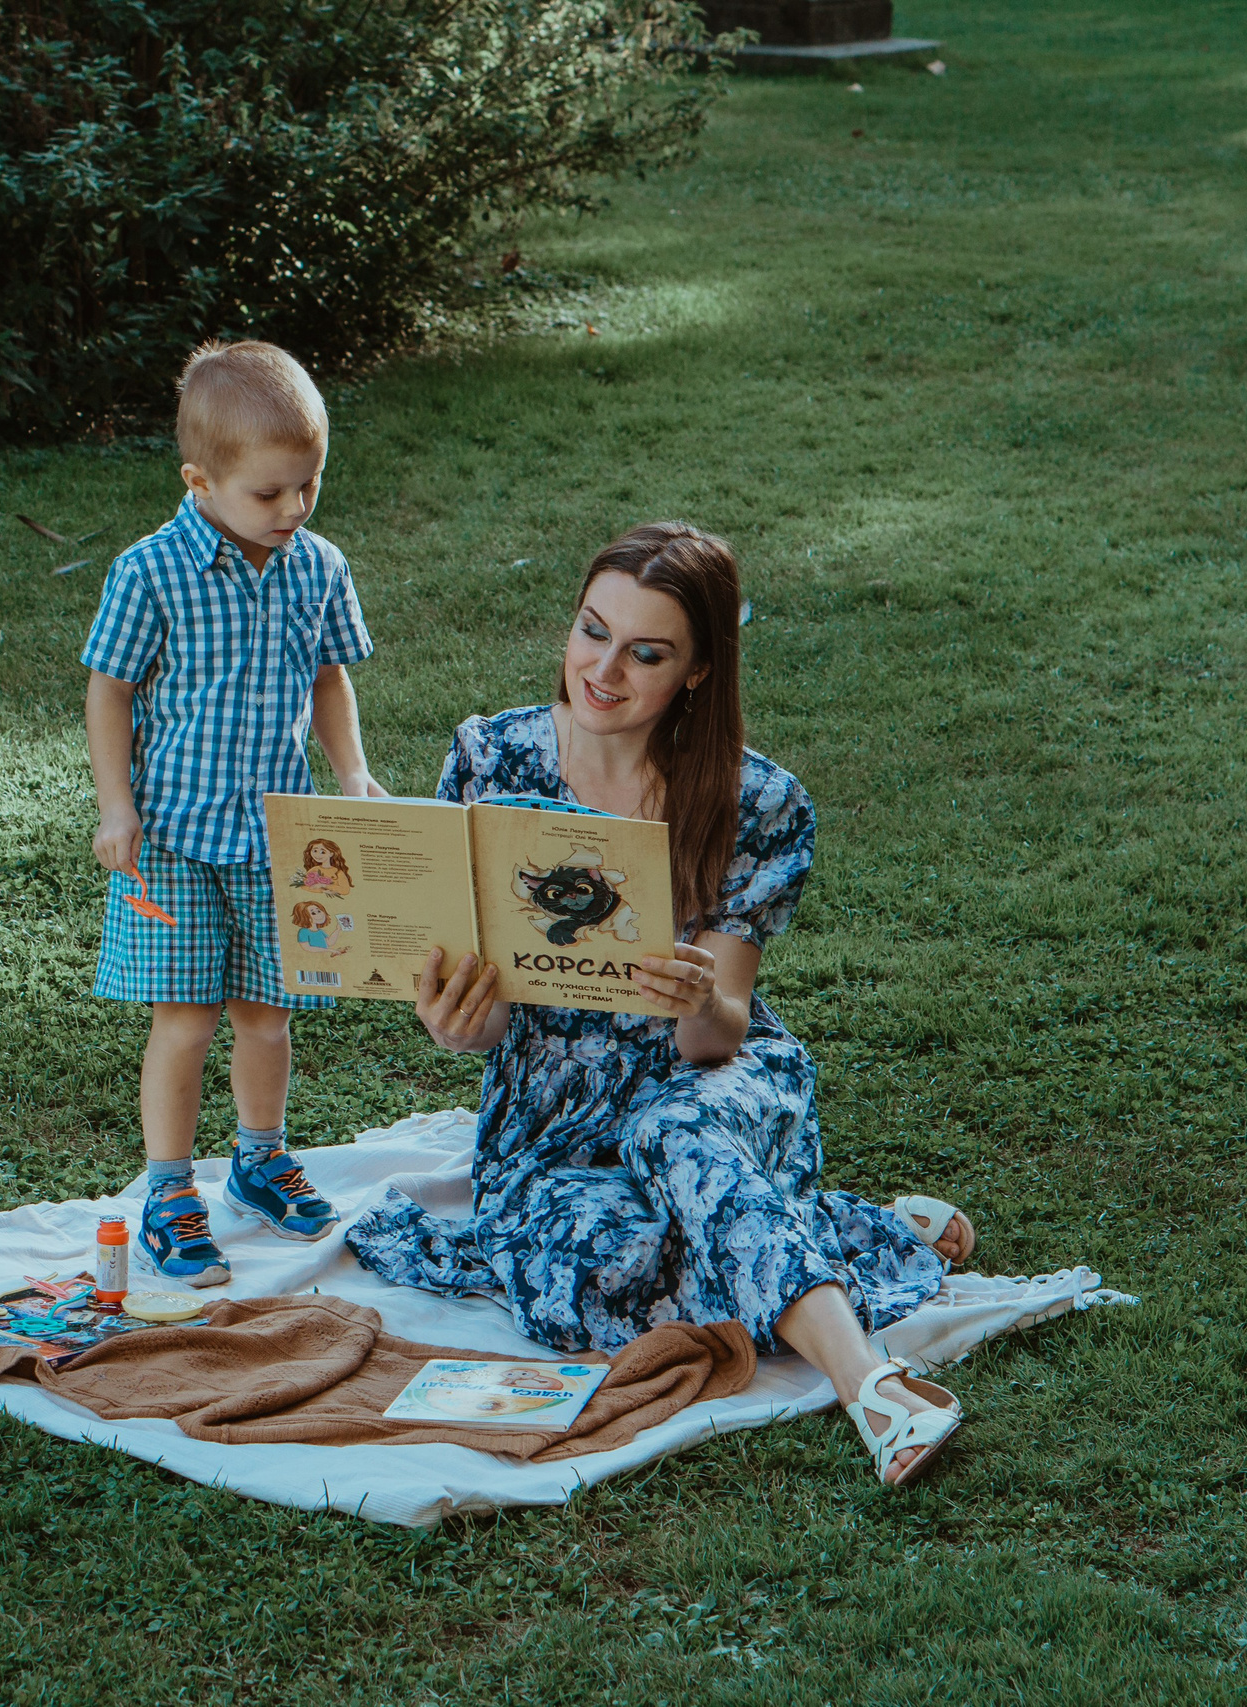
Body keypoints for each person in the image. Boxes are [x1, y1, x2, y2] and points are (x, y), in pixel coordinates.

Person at [345, 522, 979, 1485]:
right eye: (592, 631)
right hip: (551, 1110)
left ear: (696, 670)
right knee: (606, 1270)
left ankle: (872, 1386)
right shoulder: (490, 759)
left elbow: (719, 1035)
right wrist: (456, 1022)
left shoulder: (757, 800)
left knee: (672, 1134)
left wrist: (695, 997)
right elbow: (488, 1017)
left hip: (707, 1082)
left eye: (646, 653)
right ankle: (836, 1231)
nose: (603, 671)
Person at [83, 340, 389, 1288]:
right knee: (185, 1020)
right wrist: (116, 807)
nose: (294, 508)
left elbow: (329, 676)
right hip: (173, 842)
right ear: (200, 481)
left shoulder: (317, 566)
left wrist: (353, 774)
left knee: (267, 1015)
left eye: (310, 484)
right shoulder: (150, 572)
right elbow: (109, 691)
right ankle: (170, 1191)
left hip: (276, 844)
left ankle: (259, 1161)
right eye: (270, 492)